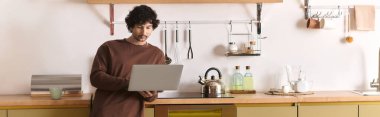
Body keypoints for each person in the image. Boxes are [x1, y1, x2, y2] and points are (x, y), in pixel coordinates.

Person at [90, 5, 164, 117]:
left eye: (148, 27)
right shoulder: (109, 47)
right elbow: (96, 78)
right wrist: (130, 84)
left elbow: (154, 94)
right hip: (106, 111)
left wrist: (150, 94)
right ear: (131, 27)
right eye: (139, 27)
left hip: (133, 112)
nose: (144, 32)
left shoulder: (156, 54)